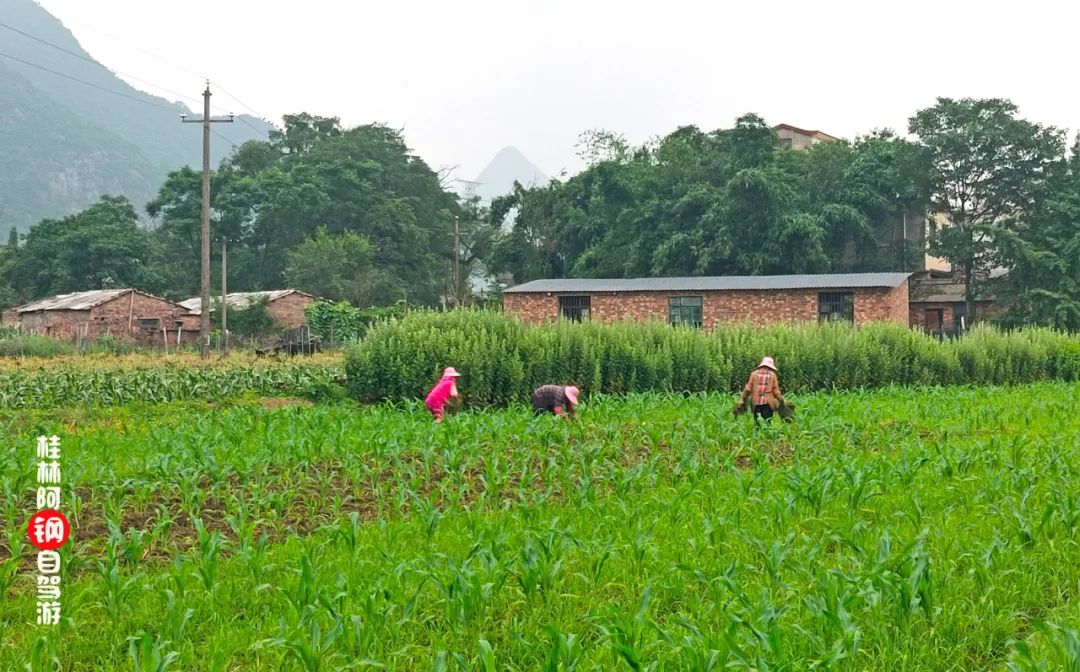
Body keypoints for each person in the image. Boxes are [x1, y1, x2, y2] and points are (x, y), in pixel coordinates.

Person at [737, 356, 785, 424]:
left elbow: (748, 389)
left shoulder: (754, 374)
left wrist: (742, 400)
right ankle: (766, 434)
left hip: (756, 403)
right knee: (767, 422)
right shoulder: (772, 375)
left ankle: (757, 433)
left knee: (757, 422)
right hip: (768, 403)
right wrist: (781, 400)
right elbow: (776, 391)